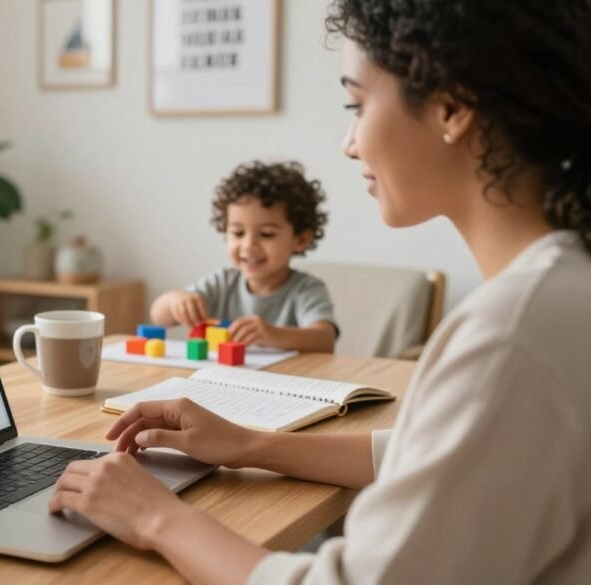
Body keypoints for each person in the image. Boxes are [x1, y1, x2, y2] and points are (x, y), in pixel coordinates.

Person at [48, 0, 591, 583]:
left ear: (452, 107)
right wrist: (249, 445)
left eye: (356, 105)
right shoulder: (557, 292)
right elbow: (431, 455)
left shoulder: (511, 336)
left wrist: (155, 516)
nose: (349, 143)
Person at [149, 161, 338, 353]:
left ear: (301, 239)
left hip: (285, 380)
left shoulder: (306, 289)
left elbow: (324, 340)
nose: (248, 246)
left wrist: (273, 334)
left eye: (266, 234)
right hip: (225, 379)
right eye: (238, 233)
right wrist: (176, 300)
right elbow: (159, 317)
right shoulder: (221, 282)